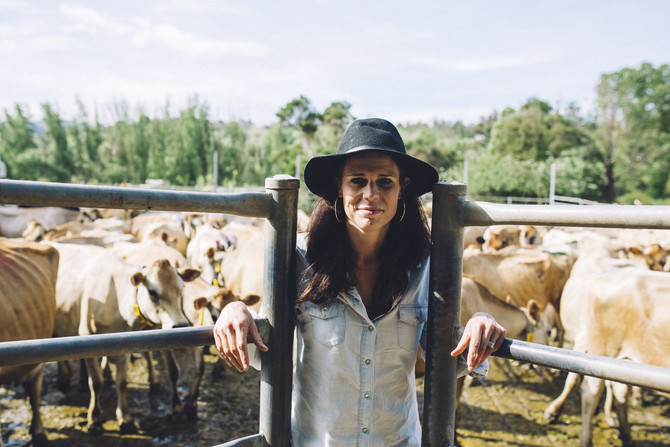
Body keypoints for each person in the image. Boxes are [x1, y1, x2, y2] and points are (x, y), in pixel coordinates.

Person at [213, 118, 507, 446]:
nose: (371, 194)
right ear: (339, 187)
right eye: (358, 181)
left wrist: (480, 326)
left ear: (403, 188)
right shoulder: (299, 257)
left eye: (385, 182)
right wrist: (235, 310)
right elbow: (263, 349)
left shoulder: (426, 265)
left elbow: (443, 361)